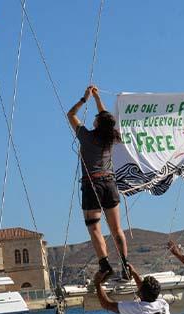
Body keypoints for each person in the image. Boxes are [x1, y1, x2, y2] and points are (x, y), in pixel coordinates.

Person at [67, 85, 130, 279]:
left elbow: (70, 114)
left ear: (96, 123)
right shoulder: (112, 137)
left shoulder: (85, 136)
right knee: (117, 229)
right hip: (109, 184)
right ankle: (125, 266)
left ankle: (105, 265)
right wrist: (97, 98)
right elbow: (105, 118)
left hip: (91, 185)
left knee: (95, 228)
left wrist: (84, 98)